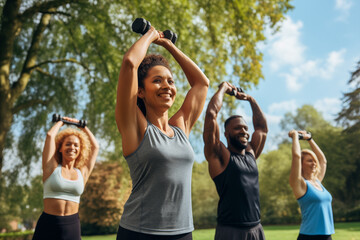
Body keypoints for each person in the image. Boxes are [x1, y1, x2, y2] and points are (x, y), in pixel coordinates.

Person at [115, 23, 209, 239]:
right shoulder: (136, 126)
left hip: (183, 232)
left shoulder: (181, 128)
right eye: (157, 81)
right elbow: (130, 63)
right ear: (140, 91)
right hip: (139, 233)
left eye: (170, 81)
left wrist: (168, 46)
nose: (167, 86)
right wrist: (150, 35)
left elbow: (202, 84)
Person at [203, 82, 268, 240]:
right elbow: (211, 115)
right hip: (230, 231)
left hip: (256, 229)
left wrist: (250, 99)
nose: (244, 131)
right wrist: (223, 88)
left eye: (245, 128)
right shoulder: (220, 155)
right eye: (238, 128)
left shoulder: (251, 153)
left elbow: (261, 128)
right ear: (226, 133)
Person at [32, 117, 99, 240]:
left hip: (72, 225)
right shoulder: (51, 168)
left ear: (80, 150)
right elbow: (50, 135)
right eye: (67, 144)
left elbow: (95, 147)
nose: (72, 147)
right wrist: (61, 122)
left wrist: (82, 127)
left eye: (76, 145)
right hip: (48, 224)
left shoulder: (82, 173)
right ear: (60, 148)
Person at [288, 130, 335, 240]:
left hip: (327, 236)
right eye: (309, 161)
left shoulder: (317, 181)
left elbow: (323, 161)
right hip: (309, 237)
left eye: (314, 160)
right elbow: (296, 156)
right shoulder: (299, 184)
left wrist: (309, 139)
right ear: (301, 164)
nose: (314, 163)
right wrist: (295, 136)